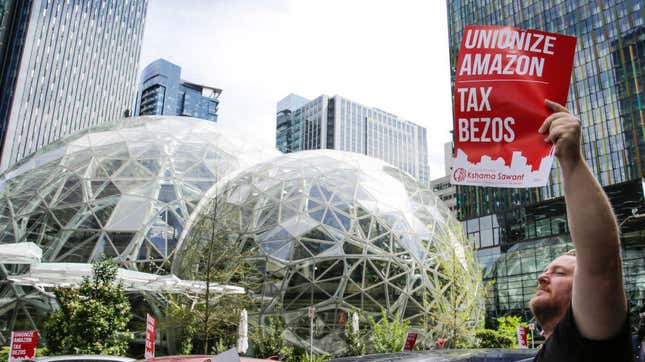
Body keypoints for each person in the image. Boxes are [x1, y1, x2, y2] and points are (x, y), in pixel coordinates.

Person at [527, 99, 632, 361]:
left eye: (559, 273)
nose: (542, 277)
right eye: (547, 271)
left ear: (584, 289)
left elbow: (602, 265)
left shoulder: (591, 339)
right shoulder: (549, 350)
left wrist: (571, 160)